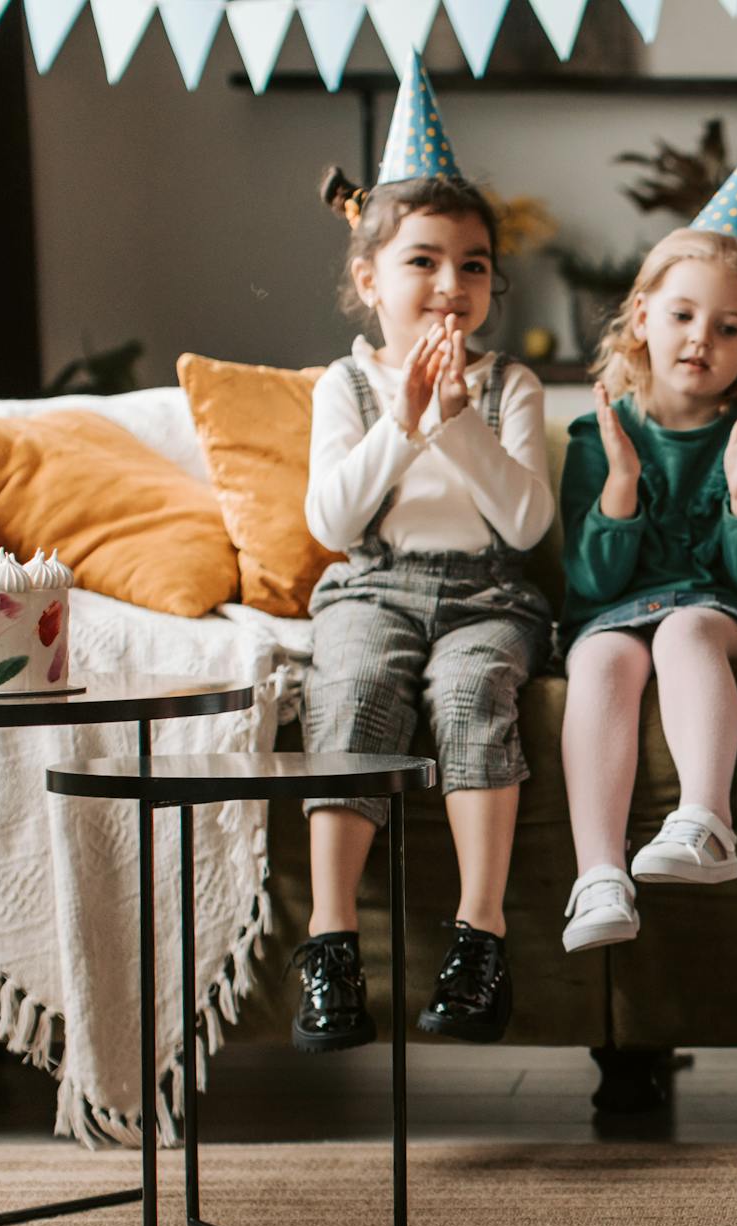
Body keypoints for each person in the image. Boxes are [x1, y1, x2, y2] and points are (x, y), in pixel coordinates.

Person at [297, 55, 554, 1048]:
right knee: (357, 689)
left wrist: (457, 424)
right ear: (369, 279)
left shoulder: (509, 387)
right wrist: (402, 426)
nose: (451, 285)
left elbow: (526, 525)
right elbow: (330, 520)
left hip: (489, 595)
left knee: (470, 695)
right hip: (372, 586)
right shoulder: (343, 387)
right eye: (422, 261)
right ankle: (329, 944)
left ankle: (478, 937)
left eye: (474, 264)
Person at [557, 127, 737, 953]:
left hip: (717, 608)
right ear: (642, 317)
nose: (702, 338)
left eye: (731, 328)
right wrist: (622, 486)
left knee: (684, 625)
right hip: (618, 609)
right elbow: (590, 587)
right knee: (599, 655)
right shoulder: (596, 436)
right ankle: (599, 876)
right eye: (683, 314)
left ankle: (706, 820)